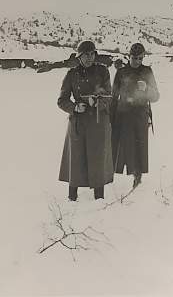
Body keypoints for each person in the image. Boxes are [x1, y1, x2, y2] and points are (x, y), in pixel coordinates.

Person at [57, 41, 114, 201]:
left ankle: (99, 198)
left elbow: (109, 96)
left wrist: (97, 102)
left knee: (98, 158)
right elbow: (61, 101)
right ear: (79, 57)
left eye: (92, 54)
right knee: (76, 159)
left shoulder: (103, 71)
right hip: (78, 123)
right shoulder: (71, 74)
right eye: (85, 55)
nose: (89, 58)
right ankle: (72, 198)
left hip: (98, 121)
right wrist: (75, 107)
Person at [111, 42, 160, 188]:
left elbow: (156, 96)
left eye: (140, 58)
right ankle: (112, 175)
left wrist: (147, 89)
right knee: (122, 146)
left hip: (140, 114)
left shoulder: (147, 72)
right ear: (129, 56)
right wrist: (110, 117)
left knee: (140, 147)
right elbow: (113, 96)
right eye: (134, 58)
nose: (138, 61)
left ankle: (137, 177)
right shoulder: (121, 72)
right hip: (123, 113)